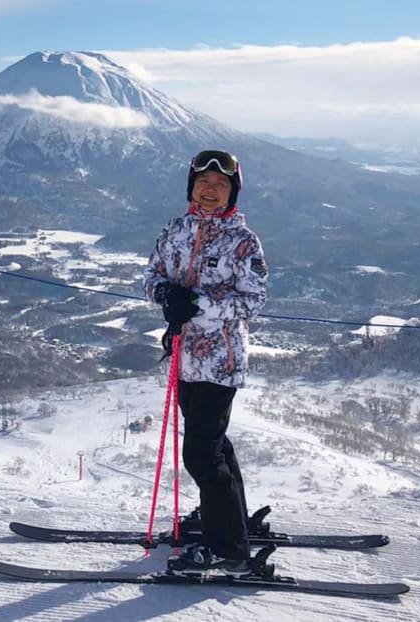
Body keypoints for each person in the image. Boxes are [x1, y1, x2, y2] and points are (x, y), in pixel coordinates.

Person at [143, 149, 268, 573]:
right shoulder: (175, 230)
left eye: (220, 185)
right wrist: (165, 295)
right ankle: (230, 519)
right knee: (214, 446)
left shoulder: (243, 242)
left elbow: (253, 300)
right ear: (191, 187)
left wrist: (194, 305)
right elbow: (152, 275)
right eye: (203, 183)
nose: (210, 191)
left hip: (220, 362)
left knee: (200, 454)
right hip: (181, 360)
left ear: (232, 192)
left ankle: (230, 549)